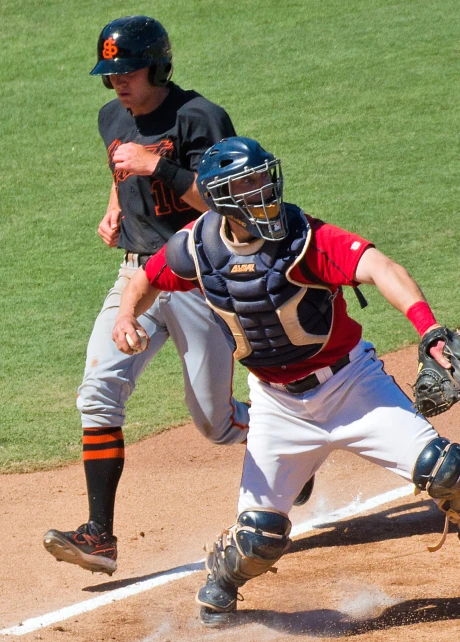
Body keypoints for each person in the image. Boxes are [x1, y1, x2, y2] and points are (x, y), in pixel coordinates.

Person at [112, 136, 460, 626]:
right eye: (250, 185)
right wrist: (126, 316)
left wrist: (427, 328)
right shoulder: (195, 247)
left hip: (351, 387)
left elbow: (380, 267)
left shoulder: (305, 239)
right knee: (259, 539)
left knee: (448, 470)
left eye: (265, 178)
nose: (265, 192)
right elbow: (147, 277)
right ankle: (222, 578)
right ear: (221, 199)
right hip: (277, 406)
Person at [42, 18, 312, 577]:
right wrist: (117, 203)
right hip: (137, 278)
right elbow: (121, 166)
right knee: (98, 393)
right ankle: (99, 537)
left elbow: (231, 205)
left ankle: (294, 440)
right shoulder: (111, 117)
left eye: (128, 70)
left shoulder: (200, 118)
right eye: (110, 72)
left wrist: (157, 166)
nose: (117, 82)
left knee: (214, 425)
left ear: (158, 66)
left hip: (196, 278)